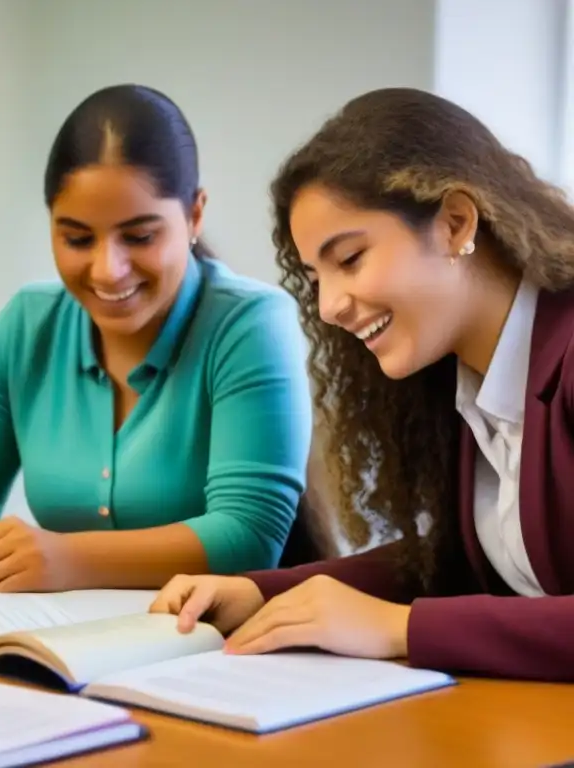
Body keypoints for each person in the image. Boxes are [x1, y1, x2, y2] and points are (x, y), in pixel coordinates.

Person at [150, 87, 574, 684]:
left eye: (348, 259)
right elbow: (446, 563)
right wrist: (260, 593)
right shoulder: (460, 377)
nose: (327, 308)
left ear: (455, 223)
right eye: (315, 275)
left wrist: (398, 629)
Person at [0, 84, 313, 592]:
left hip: (221, 647)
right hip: (58, 651)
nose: (108, 270)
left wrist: (68, 558)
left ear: (195, 214)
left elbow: (247, 536)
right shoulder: (26, 325)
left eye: (139, 237)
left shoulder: (251, 324)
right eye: (77, 238)